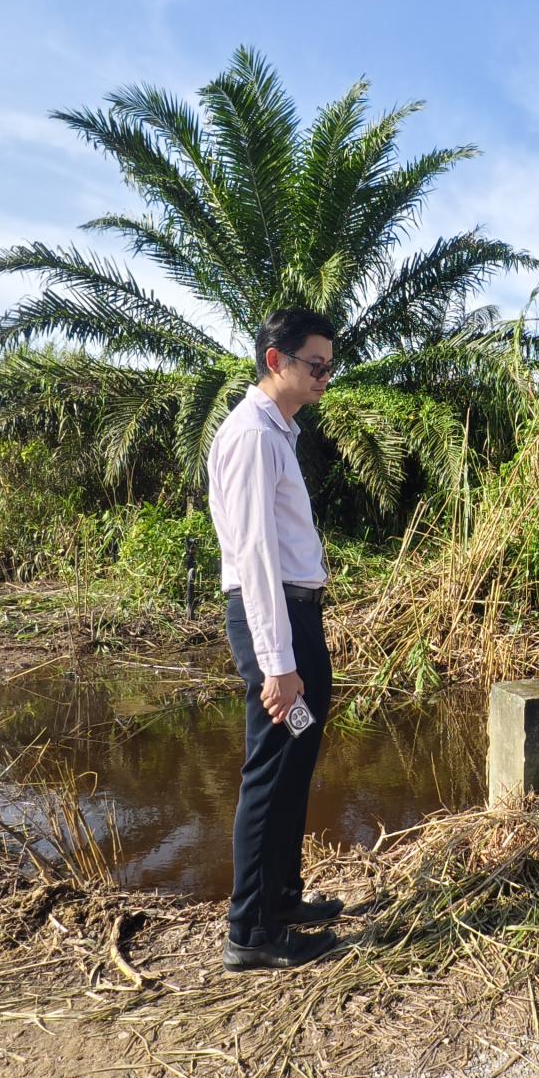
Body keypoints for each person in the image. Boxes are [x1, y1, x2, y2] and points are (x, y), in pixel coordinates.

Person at [207, 309, 346, 971]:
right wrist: (278, 665)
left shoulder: (277, 433)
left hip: (295, 619)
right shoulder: (253, 437)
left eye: (330, 365)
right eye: (315, 364)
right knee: (271, 767)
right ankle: (250, 931)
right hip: (276, 625)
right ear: (275, 361)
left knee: (296, 753)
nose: (326, 376)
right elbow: (256, 556)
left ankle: (282, 898)